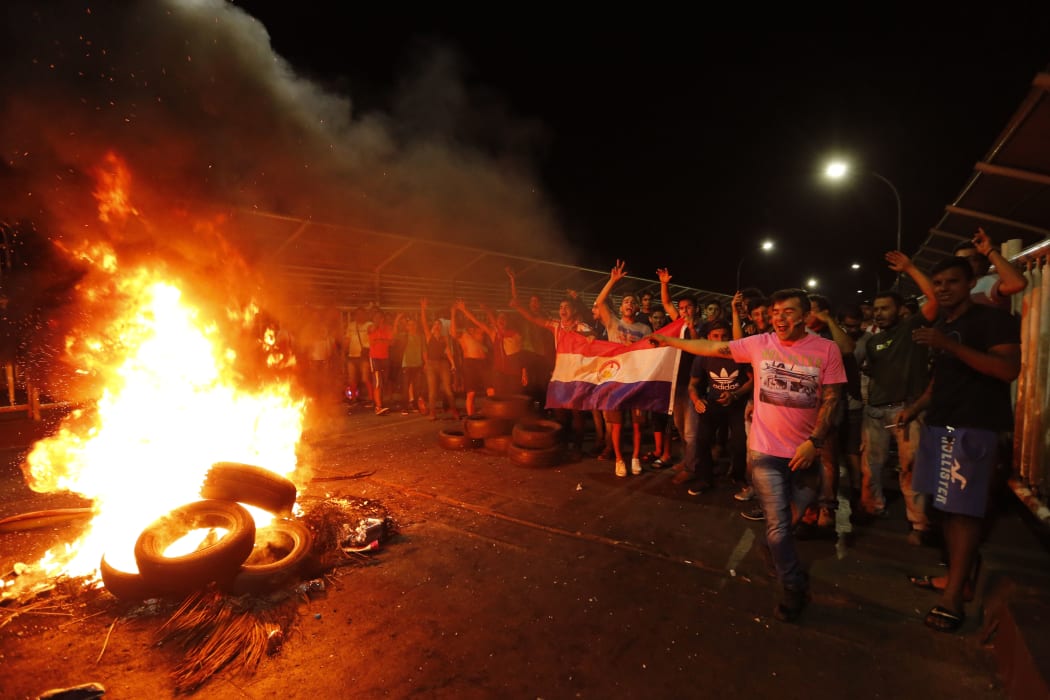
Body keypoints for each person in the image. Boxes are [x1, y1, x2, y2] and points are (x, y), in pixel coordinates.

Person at [650, 288, 846, 622]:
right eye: (774, 312)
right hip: (766, 451)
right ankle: (793, 587)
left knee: (792, 520)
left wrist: (815, 441)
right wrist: (670, 342)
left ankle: (772, 550)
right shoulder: (760, 343)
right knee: (780, 526)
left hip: (806, 454)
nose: (779, 318)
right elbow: (712, 347)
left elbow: (832, 399)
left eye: (787, 312)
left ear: (804, 315)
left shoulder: (826, 350)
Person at [898, 256, 1020, 633]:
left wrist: (948, 346)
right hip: (940, 425)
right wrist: (915, 408)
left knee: (964, 513)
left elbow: (1006, 370)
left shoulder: (992, 319)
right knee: (946, 510)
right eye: (937, 282)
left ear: (972, 283)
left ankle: (952, 599)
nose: (943, 288)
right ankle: (957, 580)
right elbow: (941, 380)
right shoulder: (946, 324)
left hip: (974, 429)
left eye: (952, 281)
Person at [858, 252, 939, 544]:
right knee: (871, 467)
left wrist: (910, 268)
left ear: (900, 310)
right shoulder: (873, 340)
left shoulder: (912, 328)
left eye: (885, 308)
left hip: (908, 411)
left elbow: (935, 300)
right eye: (876, 309)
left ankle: (918, 524)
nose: (878, 313)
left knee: (911, 469)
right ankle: (873, 507)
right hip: (875, 413)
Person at [592, 260, 652, 477]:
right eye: (626, 301)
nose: (629, 303)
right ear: (620, 307)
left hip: (636, 381)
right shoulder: (613, 323)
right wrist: (612, 280)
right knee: (616, 425)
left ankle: (635, 457)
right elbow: (599, 302)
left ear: (637, 308)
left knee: (637, 424)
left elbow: (650, 353)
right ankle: (619, 459)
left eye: (633, 302)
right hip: (615, 381)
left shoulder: (644, 328)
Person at [680, 320, 752, 496]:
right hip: (713, 403)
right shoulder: (703, 357)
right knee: (702, 440)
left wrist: (735, 394)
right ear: (708, 338)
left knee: (739, 442)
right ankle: (704, 478)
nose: (720, 340)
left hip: (736, 404)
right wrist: (696, 400)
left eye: (724, 336)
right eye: (716, 336)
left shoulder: (739, 355)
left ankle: (738, 476)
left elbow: (752, 380)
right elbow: (692, 385)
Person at [953, 227, 1027, 310]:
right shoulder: (957, 288)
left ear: (985, 261)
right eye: (960, 261)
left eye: (973, 259)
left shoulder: (990, 281)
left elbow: (1018, 283)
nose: (965, 264)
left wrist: (989, 251)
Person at [450, 300, 492, 416]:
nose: (467, 320)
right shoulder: (462, 334)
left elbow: (481, 325)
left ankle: (494, 415)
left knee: (491, 391)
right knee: (471, 394)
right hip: (470, 364)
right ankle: (471, 419)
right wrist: (453, 314)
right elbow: (452, 333)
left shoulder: (479, 330)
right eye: (465, 318)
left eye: (468, 317)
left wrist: (465, 310)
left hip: (483, 362)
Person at [420, 298, 459, 420]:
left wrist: (452, 363)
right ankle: (432, 413)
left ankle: (454, 412)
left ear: (441, 327)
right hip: (431, 364)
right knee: (432, 391)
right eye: (435, 324)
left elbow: (447, 351)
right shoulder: (429, 336)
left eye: (439, 324)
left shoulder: (444, 338)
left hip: (443, 364)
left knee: (448, 389)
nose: (437, 325)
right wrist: (423, 308)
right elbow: (424, 322)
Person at [344, 306, 374, 407]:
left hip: (363, 356)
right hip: (352, 356)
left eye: (361, 314)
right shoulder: (351, 326)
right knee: (352, 379)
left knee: (366, 378)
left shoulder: (369, 325)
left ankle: (371, 399)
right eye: (357, 314)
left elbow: (373, 332)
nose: (359, 316)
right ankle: (353, 399)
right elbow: (347, 340)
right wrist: (344, 352)